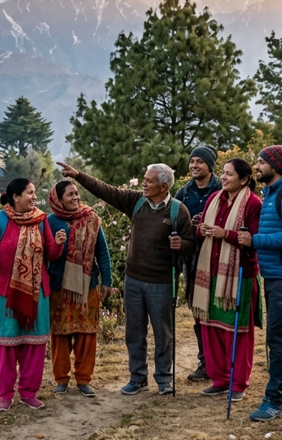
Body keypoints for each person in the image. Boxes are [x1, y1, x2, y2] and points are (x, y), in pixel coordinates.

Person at [57, 161, 195, 396]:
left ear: (163, 186)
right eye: (144, 179)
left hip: (161, 283)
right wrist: (79, 175)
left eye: (148, 181)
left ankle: (163, 379)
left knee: (163, 334)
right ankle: (138, 378)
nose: (143, 183)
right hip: (133, 281)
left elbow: (191, 245)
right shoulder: (137, 202)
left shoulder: (177, 210)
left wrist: (181, 245)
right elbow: (106, 190)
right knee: (134, 332)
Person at [237, 145, 282, 422]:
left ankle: (275, 400)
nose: (256, 167)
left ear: (276, 165)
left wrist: (253, 241)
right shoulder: (271, 194)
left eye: (261, 162)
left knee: (278, 338)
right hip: (278, 274)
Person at [0, 178, 64, 411]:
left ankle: (28, 393)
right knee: (6, 345)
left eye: (35, 193)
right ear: (15, 197)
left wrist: (58, 244)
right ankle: (5, 396)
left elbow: (50, 254)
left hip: (38, 294)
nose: (35, 197)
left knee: (34, 346)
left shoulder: (41, 220)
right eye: (30, 193)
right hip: (5, 294)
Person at [191, 158, 262, 402]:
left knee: (237, 329)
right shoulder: (214, 199)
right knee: (211, 327)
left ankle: (239, 382)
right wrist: (199, 230)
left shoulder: (253, 203)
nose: (223, 177)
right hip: (211, 272)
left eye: (229, 174)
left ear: (243, 180)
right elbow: (202, 228)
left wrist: (227, 235)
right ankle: (220, 378)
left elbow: (254, 240)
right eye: (222, 172)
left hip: (239, 275)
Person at [45, 180, 113, 398]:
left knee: (86, 334)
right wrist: (56, 244)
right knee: (60, 335)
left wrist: (107, 281)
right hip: (59, 287)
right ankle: (61, 379)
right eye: (69, 195)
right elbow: (46, 254)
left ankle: (84, 379)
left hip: (87, 286)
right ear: (58, 199)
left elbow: (102, 253)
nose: (75, 198)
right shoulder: (50, 222)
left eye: (77, 193)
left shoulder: (91, 219)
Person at [175, 145, 222, 382]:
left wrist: (205, 221)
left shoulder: (222, 190)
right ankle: (205, 362)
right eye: (192, 161)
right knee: (198, 310)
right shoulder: (183, 193)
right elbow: (173, 220)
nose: (194, 166)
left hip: (218, 258)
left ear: (210, 165)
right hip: (192, 260)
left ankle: (221, 362)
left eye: (199, 162)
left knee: (218, 309)